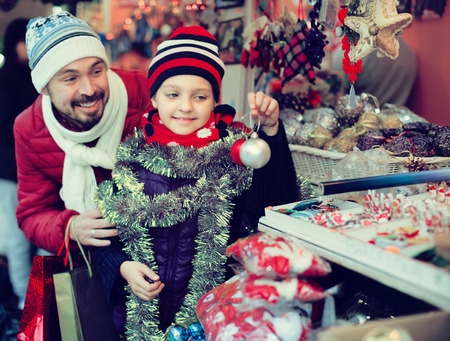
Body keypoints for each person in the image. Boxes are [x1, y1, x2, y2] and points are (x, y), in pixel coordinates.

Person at [93, 26, 313, 339]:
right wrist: (122, 268)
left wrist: (272, 132)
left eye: (199, 96)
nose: (185, 107)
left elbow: (276, 205)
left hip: (214, 320)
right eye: (173, 94)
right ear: (154, 97)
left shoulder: (235, 158)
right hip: (137, 321)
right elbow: (107, 238)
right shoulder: (132, 159)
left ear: (214, 101)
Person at [13, 11, 153, 256]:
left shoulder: (146, 92)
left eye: (96, 71)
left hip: (156, 244)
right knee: (40, 291)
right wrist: (69, 227)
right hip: (82, 253)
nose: (89, 89)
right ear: (45, 87)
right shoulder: (29, 128)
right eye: (70, 79)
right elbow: (32, 215)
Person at [0, 18, 38, 312]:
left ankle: (36, 301)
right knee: (17, 239)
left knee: (38, 237)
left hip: (36, 170)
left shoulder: (38, 75)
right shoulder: (6, 79)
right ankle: (24, 302)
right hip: (10, 172)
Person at [332, 37, 417, 107]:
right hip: (398, 120)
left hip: (359, 123)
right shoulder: (407, 51)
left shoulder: (353, 51)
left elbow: (332, 91)